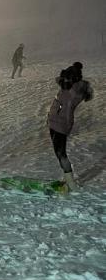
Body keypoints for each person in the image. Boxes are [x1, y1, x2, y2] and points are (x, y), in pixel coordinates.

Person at [47, 61, 93, 190]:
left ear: (73, 79)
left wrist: (65, 128)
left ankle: (71, 183)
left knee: (61, 154)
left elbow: (67, 112)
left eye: (67, 77)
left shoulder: (72, 92)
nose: (64, 79)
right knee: (58, 153)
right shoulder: (67, 87)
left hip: (60, 125)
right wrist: (65, 77)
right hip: (54, 122)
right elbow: (59, 80)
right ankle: (67, 178)